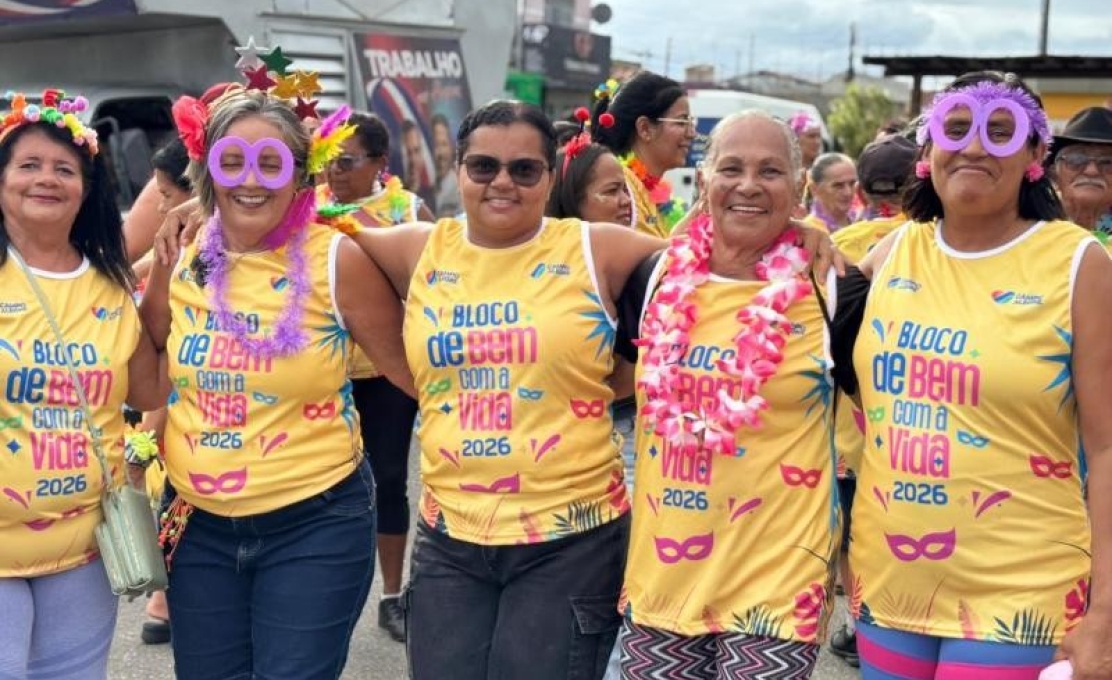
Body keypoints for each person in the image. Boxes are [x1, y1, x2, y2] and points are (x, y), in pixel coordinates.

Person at [350, 99, 665, 680]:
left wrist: (802, 234)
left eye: (524, 170)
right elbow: (300, 225)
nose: (502, 182)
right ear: (459, 172)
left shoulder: (594, 248)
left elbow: (711, 262)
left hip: (572, 540)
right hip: (451, 540)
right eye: (483, 167)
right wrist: (197, 207)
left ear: (550, 177)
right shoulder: (421, 248)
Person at [843, 71, 1112, 679]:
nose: (974, 148)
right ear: (928, 151)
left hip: (1021, 590)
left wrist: (1107, 613)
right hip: (891, 582)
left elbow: (1107, 445)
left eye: (1001, 131)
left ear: (1035, 154)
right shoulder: (891, 253)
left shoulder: (1077, 264)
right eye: (956, 129)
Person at [142, 87, 414, 679]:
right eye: (232, 161)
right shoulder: (183, 250)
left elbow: (412, 376)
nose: (252, 180)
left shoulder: (338, 259)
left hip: (315, 522)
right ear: (207, 169)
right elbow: (143, 345)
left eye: (273, 163)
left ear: (300, 175)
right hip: (197, 525)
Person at [614, 110, 839, 679]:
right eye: (731, 168)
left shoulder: (833, 285)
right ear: (705, 178)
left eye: (771, 171)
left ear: (798, 186)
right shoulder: (654, 274)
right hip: (663, 578)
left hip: (777, 586)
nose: (748, 185)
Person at [0, 90, 163, 679]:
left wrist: (170, 280)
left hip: (83, 552)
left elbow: (147, 394)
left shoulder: (109, 286)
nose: (47, 179)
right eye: (29, 165)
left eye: (64, 169)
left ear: (86, 188)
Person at [316, 110, 431, 643]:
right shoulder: (305, 208)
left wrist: (361, 223)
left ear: (380, 164)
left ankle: (392, 594)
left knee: (387, 477)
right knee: (324, 482)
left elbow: (429, 284)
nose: (334, 173)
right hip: (323, 368)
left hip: (384, 371)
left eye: (347, 161)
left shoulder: (408, 209)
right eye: (327, 162)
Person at [826, 132, 917, 669]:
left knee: (850, 533)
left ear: (861, 189)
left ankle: (859, 621)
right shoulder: (929, 241)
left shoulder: (843, 241)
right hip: (905, 431)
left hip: (844, 426)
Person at [133, 136, 194, 646]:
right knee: (173, 502)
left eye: (167, 195)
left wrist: (144, 439)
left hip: (190, 400)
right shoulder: (168, 250)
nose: (161, 206)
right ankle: (162, 594)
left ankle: (165, 594)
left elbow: (170, 371)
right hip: (169, 397)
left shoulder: (209, 255)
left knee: (176, 494)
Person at [592, 72, 696, 238]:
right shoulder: (621, 188)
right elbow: (653, 258)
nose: (692, 133)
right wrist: (704, 205)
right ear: (645, 129)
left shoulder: (651, 191)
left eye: (691, 122)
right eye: (682, 122)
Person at [1046, 107, 1112, 237]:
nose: (1091, 171)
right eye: (1075, 160)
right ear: (1054, 175)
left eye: (1107, 163)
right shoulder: (1032, 228)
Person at [803, 152, 858, 232]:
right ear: (814, 189)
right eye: (838, 186)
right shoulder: (807, 233)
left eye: (852, 184)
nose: (848, 192)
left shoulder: (863, 222)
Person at [401, 118, 436, 211]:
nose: (412, 160)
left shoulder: (431, 198)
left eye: (416, 151)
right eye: (408, 153)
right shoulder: (392, 198)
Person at [431, 113, 461, 218]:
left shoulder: (460, 186)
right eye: (436, 145)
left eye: (444, 144)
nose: (440, 153)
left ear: (452, 147)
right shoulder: (422, 189)